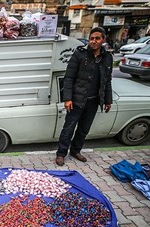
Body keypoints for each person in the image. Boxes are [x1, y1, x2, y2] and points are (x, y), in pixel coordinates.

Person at [55, 27, 113, 166]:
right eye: (91, 38)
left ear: (103, 40)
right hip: (76, 100)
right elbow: (69, 78)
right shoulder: (79, 54)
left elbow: (107, 81)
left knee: (84, 129)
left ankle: (75, 151)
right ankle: (61, 153)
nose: (93, 41)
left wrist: (108, 100)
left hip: (93, 101)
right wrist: (67, 98)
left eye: (97, 38)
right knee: (69, 128)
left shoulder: (107, 58)